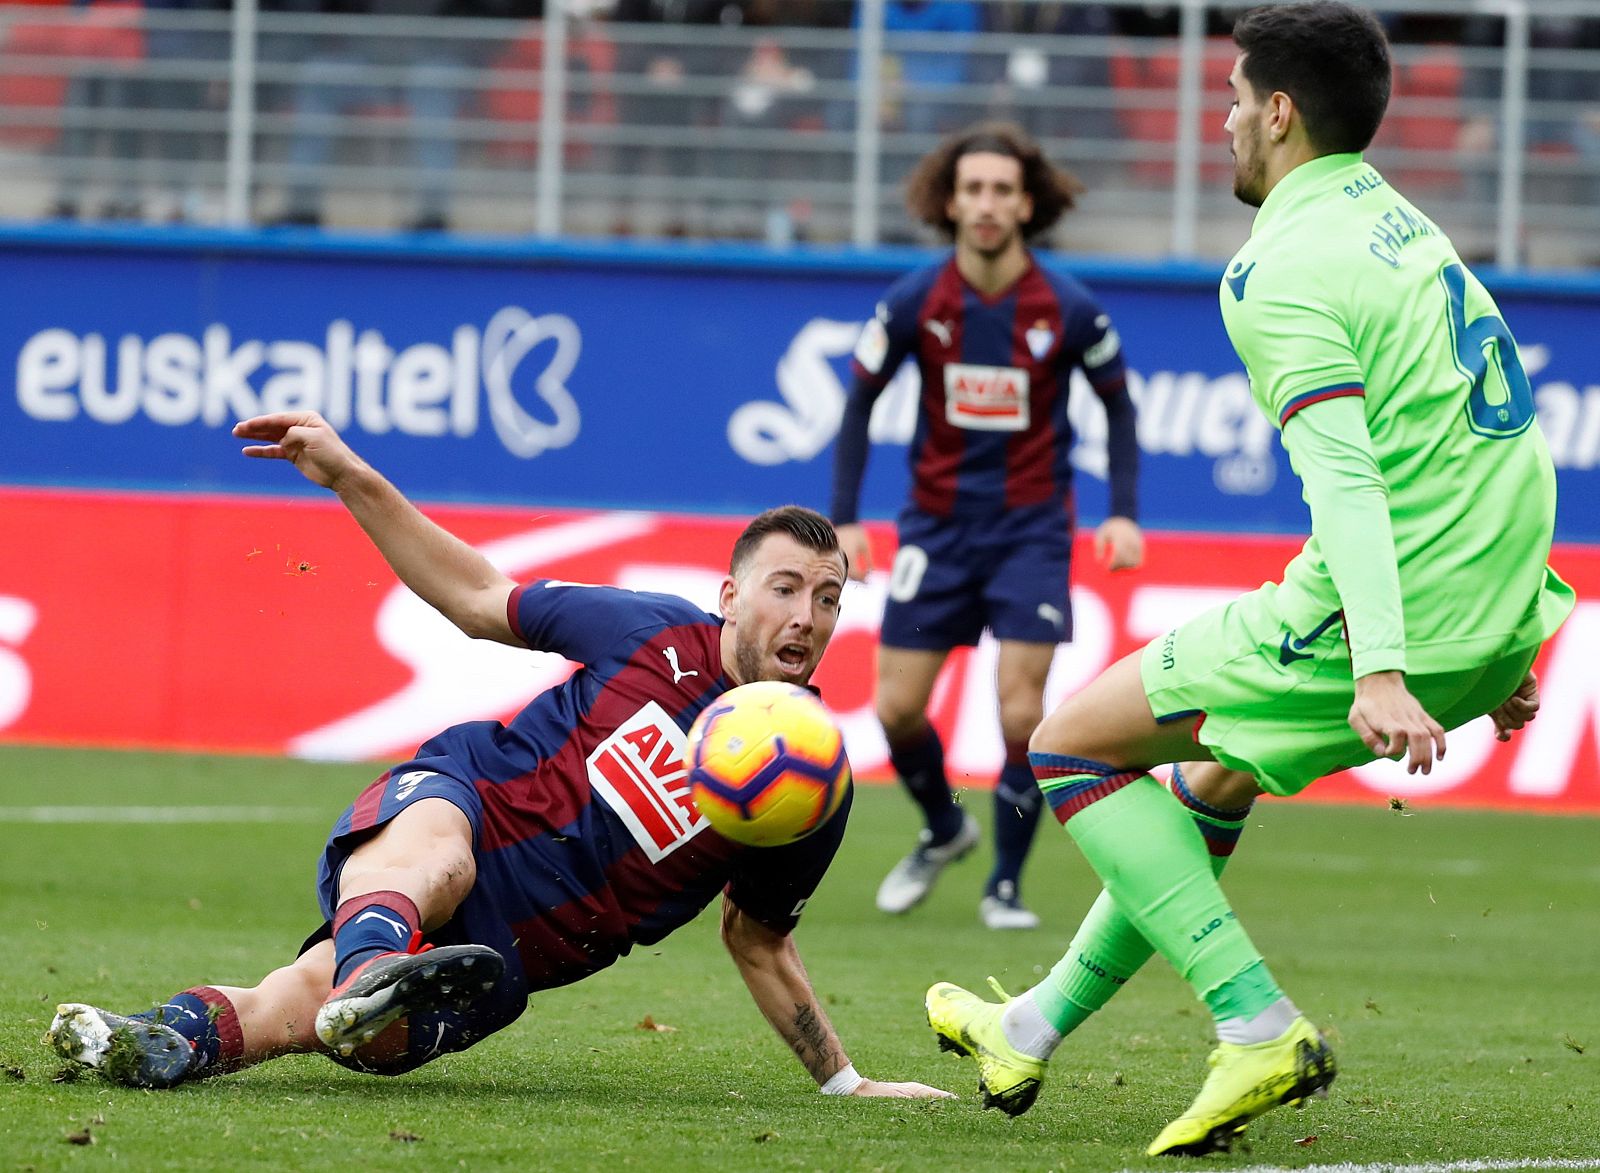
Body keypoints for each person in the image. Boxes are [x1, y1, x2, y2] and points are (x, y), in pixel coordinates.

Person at [923, 1, 1574, 1157]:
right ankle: (1028, 1026)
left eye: (1231, 98)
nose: (1221, 121)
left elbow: (1348, 483)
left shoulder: (1276, 263)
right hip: (1487, 604)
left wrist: (1380, 666)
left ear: (1278, 113)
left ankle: (1254, 1022)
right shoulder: (1403, 228)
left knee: (1068, 744)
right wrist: (1512, 639)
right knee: (1213, 782)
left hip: (1394, 620)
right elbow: (1509, 436)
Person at [46, 410, 951, 1103]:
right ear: (729, 595)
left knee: (298, 1010)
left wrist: (845, 1081)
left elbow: (759, 939)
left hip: (503, 954)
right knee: (436, 853)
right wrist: (350, 474)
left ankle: (141, 1040)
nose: (806, 615)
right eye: (785, 588)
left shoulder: (811, 785)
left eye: (829, 599)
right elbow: (480, 595)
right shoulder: (650, 634)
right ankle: (376, 973)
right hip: (462, 800)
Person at [828, 121, 1143, 932]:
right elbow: (859, 399)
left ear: (1027, 202)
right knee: (895, 709)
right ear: (950, 201)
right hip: (936, 530)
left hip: (1032, 531)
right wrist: (846, 521)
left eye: (1003, 189)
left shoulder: (1066, 308)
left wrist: (1123, 513)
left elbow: (1119, 402)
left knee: (1018, 713)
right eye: (973, 189)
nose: (987, 203)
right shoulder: (914, 302)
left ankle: (1005, 883)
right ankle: (943, 826)